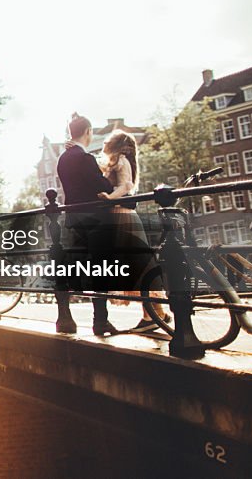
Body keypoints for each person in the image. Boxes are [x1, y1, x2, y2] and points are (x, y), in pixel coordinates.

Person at [97, 129, 169, 332]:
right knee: (136, 265)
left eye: (108, 140)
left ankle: (153, 316)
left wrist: (110, 198)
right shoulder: (117, 160)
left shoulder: (121, 160)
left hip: (122, 215)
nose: (104, 143)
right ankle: (157, 313)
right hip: (120, 215)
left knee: (137, 265)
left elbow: (126, 185)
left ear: (117, 144)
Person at [56, 113, 116, 336]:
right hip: (95, 220)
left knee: (78, 266)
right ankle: (100, 321)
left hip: (74, 219)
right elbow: (104, 186)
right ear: (88, 132)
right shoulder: (86, 159)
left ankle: (65, 317)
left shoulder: (63, 158)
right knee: (100, 269)